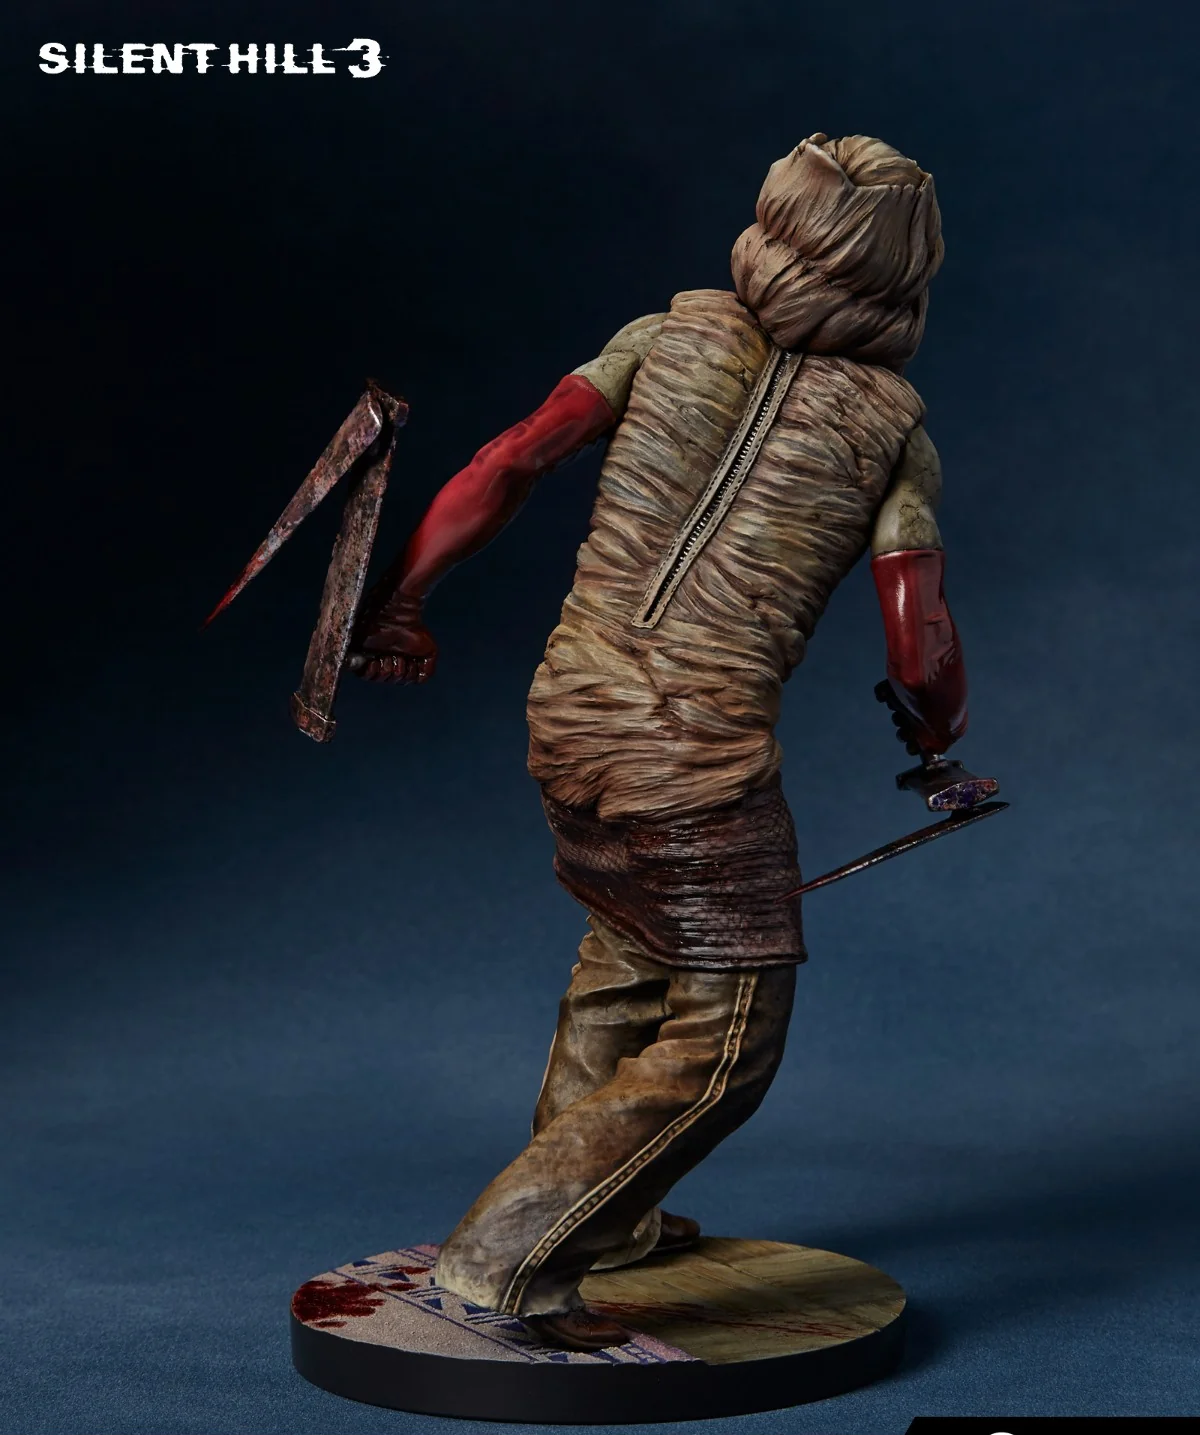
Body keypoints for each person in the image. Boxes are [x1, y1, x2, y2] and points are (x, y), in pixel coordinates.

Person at [351, 133, 967, 1350]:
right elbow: (918, 639)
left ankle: (608, 1224)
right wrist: (939, 727)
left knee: (631, 945)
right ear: (909, 271)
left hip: (569, 715)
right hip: (693, 760)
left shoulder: (659, 339)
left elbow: (507, 460)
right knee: (732, 1032)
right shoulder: (893, 432)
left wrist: (404, 603)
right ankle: (501, 1262)